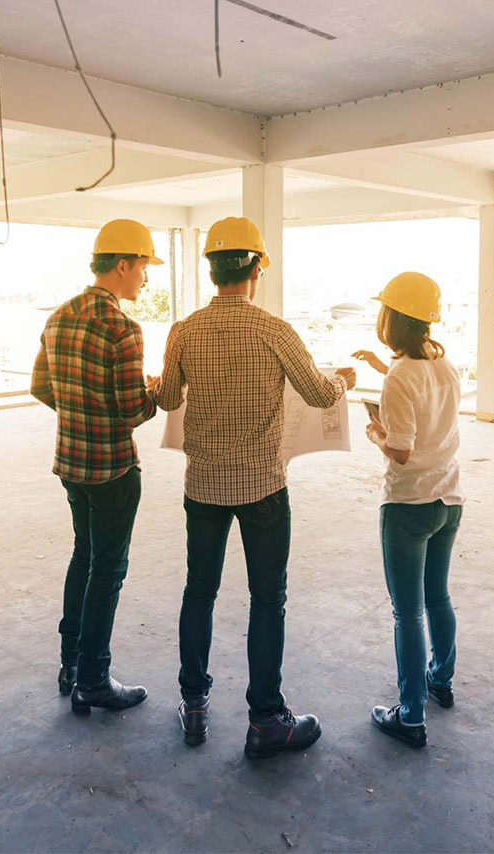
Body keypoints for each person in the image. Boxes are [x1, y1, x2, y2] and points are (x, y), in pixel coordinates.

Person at [155, 217, 357, 758]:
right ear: (256, 269)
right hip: (263, 486)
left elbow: (168, 399)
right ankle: (266, 719)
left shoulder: (184, 331)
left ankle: (195, 705)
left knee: (199, 592)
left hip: (203, 485)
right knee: (268, 599)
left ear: (211, 270)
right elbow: (319, 395)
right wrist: (343, 380)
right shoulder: (275, 330)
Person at [30, 218, 163, 716]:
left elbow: (40, 387)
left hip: (70, 462)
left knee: (82, 557)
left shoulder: (59, 317)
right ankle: (94, 679)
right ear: (123, 265)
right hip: (113, 469)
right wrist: (153, 394)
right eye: (144, 267)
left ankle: (70, 664)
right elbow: (132, 410)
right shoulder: (121, 327)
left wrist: (78, 411)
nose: (145, 278)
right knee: (107, 572)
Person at [351, 272, 463, 748]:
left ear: (392, 319)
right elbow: (418, 387)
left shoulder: (401, 376)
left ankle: (411, 715)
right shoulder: (445, 366)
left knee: (407, 613)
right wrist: (384, 368)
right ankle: (441, 680)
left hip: (408, 505)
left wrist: (375, 432)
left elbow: (400, 450)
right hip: (449, 499)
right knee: (437, 597)